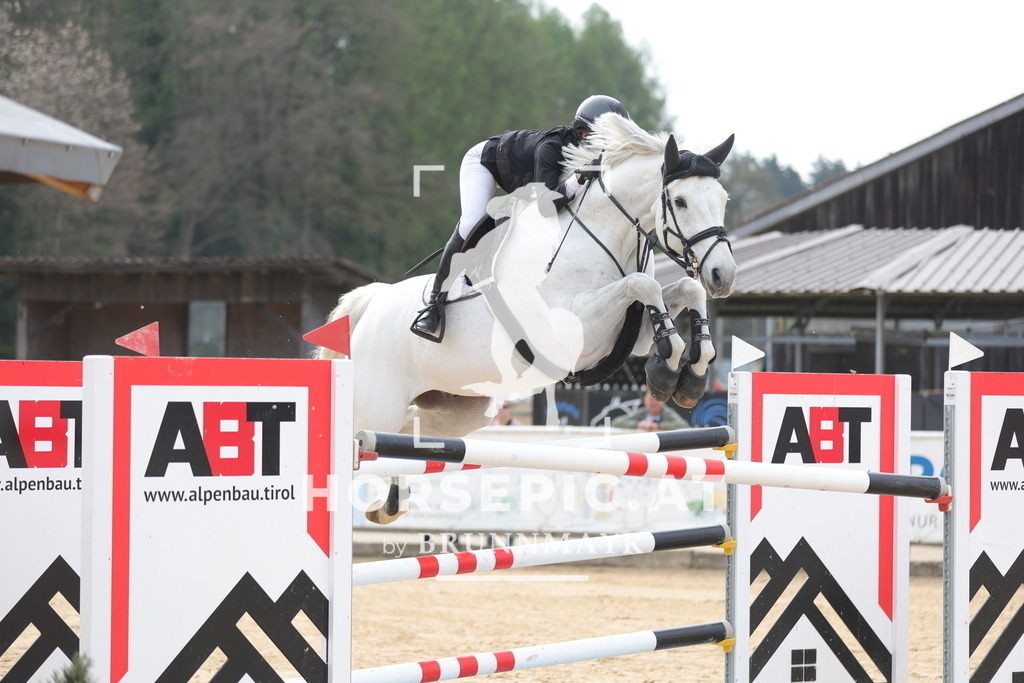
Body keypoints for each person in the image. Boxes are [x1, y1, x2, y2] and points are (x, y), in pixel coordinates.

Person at [411, 95, 631, 342]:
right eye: (606, 140)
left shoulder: (590, 157)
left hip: (521, 180)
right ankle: (433, 306)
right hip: (485, 164)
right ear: (583, 134)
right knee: (472, 223)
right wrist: (577, 180)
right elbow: (545, 207)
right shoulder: (551, 149)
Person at [611, 391, 690, 432]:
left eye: (657, 400)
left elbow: (683, 425)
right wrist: (637, 425)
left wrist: (658, 426)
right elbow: (616, 422)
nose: (654, 403)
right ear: (645, 401)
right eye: (651, 399)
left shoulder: (668, 413)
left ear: (664, 402)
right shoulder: (641, 413)